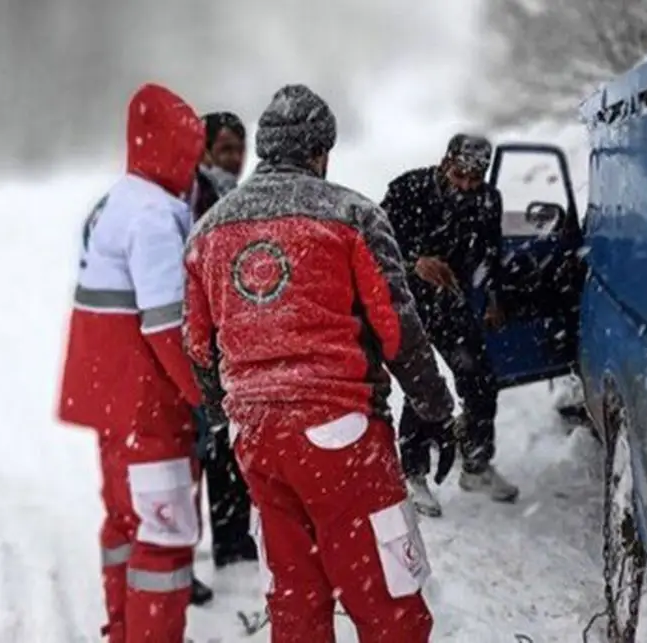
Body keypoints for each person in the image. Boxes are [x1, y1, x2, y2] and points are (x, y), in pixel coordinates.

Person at [183, 84, 456, 643]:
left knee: (297, 601)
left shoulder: (207, 232)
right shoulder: (350, 215)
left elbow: (199, 343)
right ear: (320, 152)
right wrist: (434, 406)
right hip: (341, 436)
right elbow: (397, 328)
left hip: (257, 439)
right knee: (389, 603)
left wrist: (220, 409)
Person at [57, 83, 207, 643]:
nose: (193, 168)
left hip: (110, 401)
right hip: (150, 407)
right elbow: (166, 324)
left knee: (125, 522)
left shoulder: (111, 204)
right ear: (171, 149)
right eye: (189, 153)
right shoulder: (152, 217)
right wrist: (203, 395)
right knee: (164, 537)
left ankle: (124, 630)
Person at [380, 134, 520, 518]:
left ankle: (476, 463)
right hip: (407, 300)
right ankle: (413, 471)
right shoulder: (409, 189)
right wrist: (415, 263)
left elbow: (491, 252)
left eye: (475, 179)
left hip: (452, 297)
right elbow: (374, 249)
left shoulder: (488, 200)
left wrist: (493, 298)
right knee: (422, 382)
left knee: (480, 376)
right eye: (460, 175)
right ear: (445, 163)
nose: (466, 186)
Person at [190, 111, 260, 570]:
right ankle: (229, 543)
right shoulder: (198, 195)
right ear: (205, 150)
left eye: (240, 149)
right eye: (226, 149)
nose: (235, 159)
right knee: (215, 440)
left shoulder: (235, 193)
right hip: (208, 335)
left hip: (232, 334)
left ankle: (235, 537)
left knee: (231, 436)